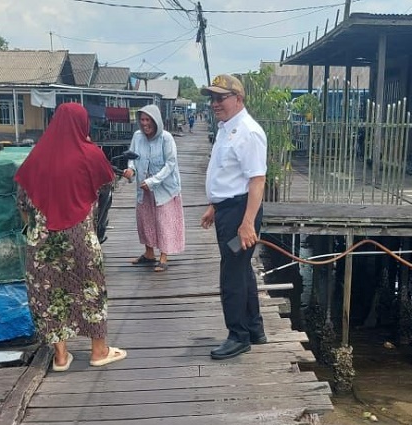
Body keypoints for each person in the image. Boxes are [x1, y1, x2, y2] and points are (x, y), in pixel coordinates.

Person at [14, 103, 127, 372]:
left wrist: (33, 227)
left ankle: (61, 356)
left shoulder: (37, 156)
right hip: (80, 237)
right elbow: (106, 186)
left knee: (48, 294)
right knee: (91, 290)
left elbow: (22, 202)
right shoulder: (91, 154)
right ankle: (99, 350)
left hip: (43, 241)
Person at [199, 74, 268, 360]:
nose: (215, 103)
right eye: (212, 98)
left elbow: (257, 180)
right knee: (241, 270)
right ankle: (254, 328)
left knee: (232, 275)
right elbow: (229, 174)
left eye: (221, 98)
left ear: (238, 98)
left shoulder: (248, 132)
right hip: (229, 210)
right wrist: (215, 206)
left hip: (241, 213)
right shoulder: (227, 128)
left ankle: (238, 336)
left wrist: (247, 222)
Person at [122, 104, 185, 272]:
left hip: (164, 188)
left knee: (163, 221)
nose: (144, 124)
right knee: (145, 221)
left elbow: (170, 164)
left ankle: (164, 256)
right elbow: (133, 158)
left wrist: (153, 181)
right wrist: (130, 170)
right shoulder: (137, 136)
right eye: (142, 120)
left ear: (156, 121)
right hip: (144, 188)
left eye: (148, 120)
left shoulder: (166, 138)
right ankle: (149, 253)